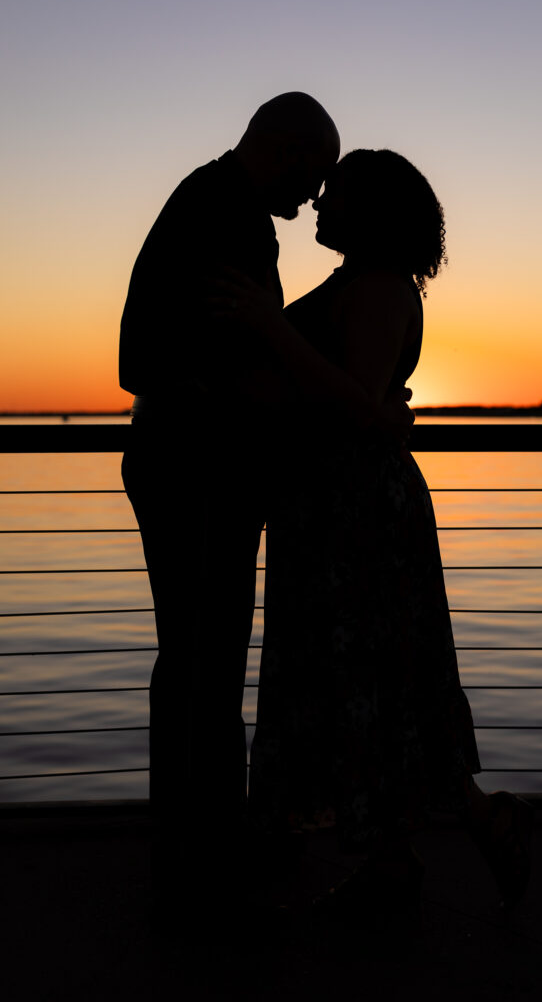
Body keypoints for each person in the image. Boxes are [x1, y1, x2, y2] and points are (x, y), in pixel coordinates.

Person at [216, 149, 533, 931]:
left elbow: (357, 403)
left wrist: (266, 327)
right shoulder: (364, 283)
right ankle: (405, 857)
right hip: (330, 509)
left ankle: (449, 832)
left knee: (372, 677)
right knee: (376, 679)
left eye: (338, 193)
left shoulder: (382, 287)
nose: (319, 203)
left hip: (354, 515)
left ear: (372, 209)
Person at [118, 92, 341, 907]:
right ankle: (197, 856)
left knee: (201, 659)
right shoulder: (225, 214)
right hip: (196, 468)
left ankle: (197, 842)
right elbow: (145, 354)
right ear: (285, 150)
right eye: (313, 176)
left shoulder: (216, 206)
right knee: (202, 663)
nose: (314, 198)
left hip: (192, 463)